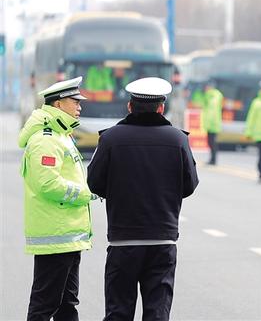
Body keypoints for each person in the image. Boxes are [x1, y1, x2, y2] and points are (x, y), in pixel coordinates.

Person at [87, 77, 199, 320]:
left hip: (122, 239)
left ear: (130, 106)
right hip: (163, 239)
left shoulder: (110, 138)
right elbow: (189, 185)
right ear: (161, 108)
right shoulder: (178, 139)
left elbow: (94, 182)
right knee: (157, 313)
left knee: (118, 312)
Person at [18, 76, 96, 320]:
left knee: (66, 304)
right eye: (75, 101)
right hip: (56, 235)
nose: (80, 106)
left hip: (67, 236)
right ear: (59, 104)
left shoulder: (62, 135)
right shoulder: (46, 139)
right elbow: (48, 184)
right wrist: (85, 194)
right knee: (45, 304)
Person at [200, 80, 224, 165]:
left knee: (212, 142)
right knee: (210, 142)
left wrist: (208, 123)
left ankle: (213, 160)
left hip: (213, 124)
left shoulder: (214, 96)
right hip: (211, 123)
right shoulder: (209, 96)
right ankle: (212, 159)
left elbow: (211, 111)